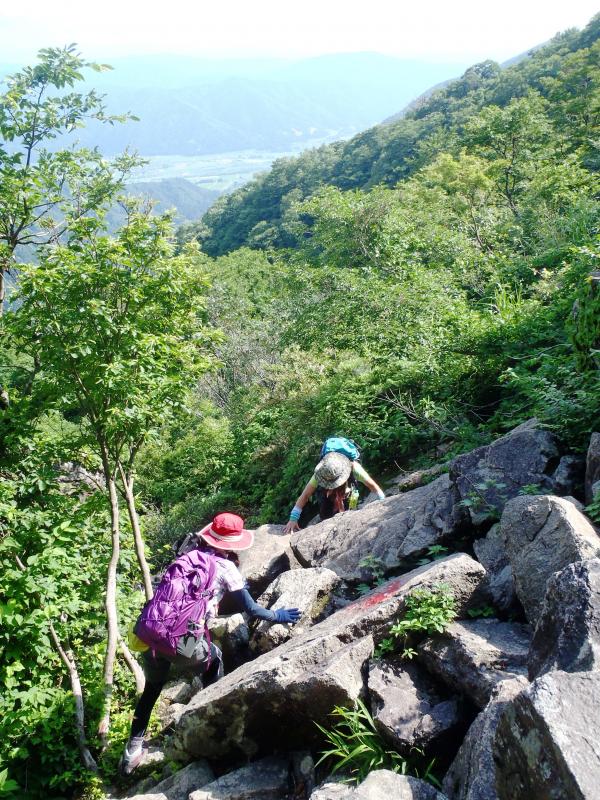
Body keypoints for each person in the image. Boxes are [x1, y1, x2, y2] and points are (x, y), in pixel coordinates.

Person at [120, 512, 301, 775]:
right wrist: (278, 615)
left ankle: (131, 753)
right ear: (233, 543)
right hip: (182, 643)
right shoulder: (227, 568)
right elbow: (252, 610)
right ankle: (213, 722)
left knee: (151, 690)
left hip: (152, 637)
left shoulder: (185, 557)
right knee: (213, 658)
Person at [283, 450, 385, 535]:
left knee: (349, 511)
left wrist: (384, 504)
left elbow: (374, 487)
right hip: (326, 494)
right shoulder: (320, 473)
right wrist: (293, 518)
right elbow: (305, 495)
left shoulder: (354, 469)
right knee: (325, 514)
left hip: (348, 490)